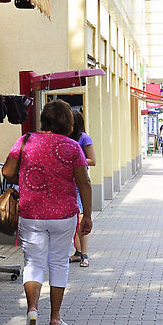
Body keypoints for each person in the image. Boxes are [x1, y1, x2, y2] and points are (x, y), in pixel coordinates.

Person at [2, 100, 93, 325]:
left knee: (33, 263)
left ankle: (32, 311)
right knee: (59, 264)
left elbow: (8, 172)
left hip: (31, 212)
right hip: (63, 215)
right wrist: (89, 216)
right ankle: (55, 318)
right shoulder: (73, 147)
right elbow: (84, 182)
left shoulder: (26, 141)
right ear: (68, 122)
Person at [69, 110, 96, 268]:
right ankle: (78, 252)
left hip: (79, 183)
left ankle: (84, 253)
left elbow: (93, 160)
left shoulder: (84, 138)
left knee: (80, 220)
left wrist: (75, 160)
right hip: (66, 183)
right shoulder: (65, 138)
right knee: (72, 220)